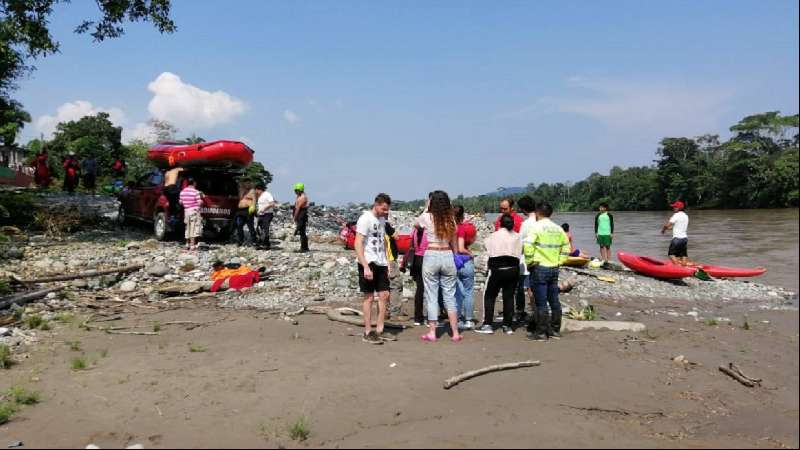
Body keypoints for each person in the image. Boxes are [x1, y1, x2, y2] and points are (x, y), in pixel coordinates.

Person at [417, 190, 462, 343]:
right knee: (450, 295)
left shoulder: (426, 216)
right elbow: (454, 240)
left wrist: (425, 207)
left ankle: (432, 332)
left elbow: (416, 224)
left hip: (432, 253)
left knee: (431, 295)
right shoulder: (451, 219)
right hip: (448, 254)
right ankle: (455, 332)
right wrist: (456, 256)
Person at [524, 202, 571, 341]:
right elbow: (566, 247)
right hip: (554, 268)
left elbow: (528, 245)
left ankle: (541, 332)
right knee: (554, 300)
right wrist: (560, 261)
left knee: (541, 302)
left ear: (538, 213)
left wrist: (529, 262)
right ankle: (555, 330)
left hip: (539, 267)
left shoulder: (536, 227)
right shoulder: (558, 229)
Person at [355, 193, 394, 345]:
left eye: (387, 210)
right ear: (376, 204)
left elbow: (383, 241)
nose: (386, 212)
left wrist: (388, 262)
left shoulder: (383, 220)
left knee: (384, 295)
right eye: (384, 209)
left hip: (381, 262)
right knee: (369, 297)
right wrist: (365, 266)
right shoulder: (365, 219)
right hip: (368, 262)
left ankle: (380, 329)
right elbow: (358, 243)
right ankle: (367, 331)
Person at [475, 214, 523, 335]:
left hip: (497, 270)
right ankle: (507, 326)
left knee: (490, 296)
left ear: (500, 223)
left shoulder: (493, 236)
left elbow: (487, 250)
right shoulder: (518, 237)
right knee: (509, 297)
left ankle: (487, 324)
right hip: (513, 269)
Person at [515, 195, 538, 324]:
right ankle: (538, 311)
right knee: (536, 287)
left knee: (526, 288)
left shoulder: (526, 224)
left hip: (527, 261)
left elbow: (521, 243)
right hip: (542, 260)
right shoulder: (540, 221)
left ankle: (525, 312)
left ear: (524, 209)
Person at [454, 205, 477, 330]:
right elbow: (461, 248)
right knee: (468, 292)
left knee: (457, 293)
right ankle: (469, 320)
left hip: (452, 262)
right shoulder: (461, 228)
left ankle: (457, 319)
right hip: (464, 261)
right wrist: (470, 253)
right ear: (462, 215)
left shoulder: (449, 228)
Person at [401, 223, 428, 326]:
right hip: (426, 259)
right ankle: (431, 318)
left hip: (415, 260)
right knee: (430, 289)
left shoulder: (414, 231)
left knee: (419, 289)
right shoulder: (428, 231)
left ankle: (418, 317)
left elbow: (410, 244)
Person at [662, 201, 690, 265]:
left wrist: (663, 230)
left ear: (679, 208)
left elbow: (667, 225)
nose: (673, 208)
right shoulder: (686, 216)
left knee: (671, 254)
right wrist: (669, 228)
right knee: (683, 255)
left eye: (675, 207)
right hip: (685, 239)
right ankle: (684, 268)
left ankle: (678, 268)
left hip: (677, 239)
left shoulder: (676, 215)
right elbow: (676, 227)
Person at [179, 177, 204, 250]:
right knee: (193, 227)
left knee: (187, 227)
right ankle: (192, 245)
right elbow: (199, 203)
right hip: (194, 211)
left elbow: (180, 202)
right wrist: (202, 199)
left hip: (186, 211)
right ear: (194, 183)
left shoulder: (182, 192)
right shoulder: (196, 192)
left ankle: (187, 244)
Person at [256, 182, 276, 250]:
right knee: (260, 229)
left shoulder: (267, 194)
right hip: (261, 215)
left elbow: (272, 203)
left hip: (267, 214)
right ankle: (262, 243)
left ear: (259, 189)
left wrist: (264, 209)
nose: (256, 192)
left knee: (265, 229)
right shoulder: (259, 197)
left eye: (256, 190)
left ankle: (266, 244)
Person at [293, 182, 309, 252]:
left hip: (301, 214)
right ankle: (305, 247)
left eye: (296, 190)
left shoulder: (302, 197)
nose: (295, 192)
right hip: (301, 214)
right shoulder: (300, 196)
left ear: (300, 190)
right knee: (302, 231)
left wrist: (295, 217)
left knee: (302, 231)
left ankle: (303, 248)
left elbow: (298, 208)